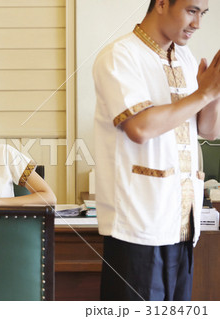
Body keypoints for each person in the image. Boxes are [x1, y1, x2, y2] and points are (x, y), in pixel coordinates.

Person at [93, 0, 220, 301]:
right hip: (137, 225)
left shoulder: (186, 60)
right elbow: (140, 128)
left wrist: (213, 94)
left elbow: (209, 130)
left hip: (182, 225)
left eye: (202, 13)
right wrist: (203, 93)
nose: (197, 24)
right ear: (162, 3)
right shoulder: (119, 56)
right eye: (191, 10)